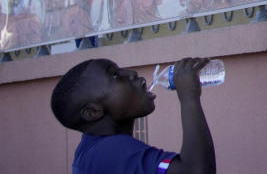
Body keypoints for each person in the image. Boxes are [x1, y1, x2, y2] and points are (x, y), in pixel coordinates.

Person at [50, 57, 216, 174]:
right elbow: (195, 171)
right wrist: (189, 97)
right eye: (115, 75)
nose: (131, 73)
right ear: (93, 112)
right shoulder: (108, 150)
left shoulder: (93, 151)